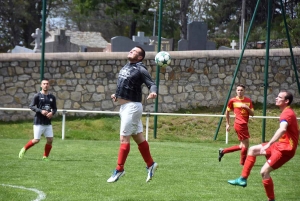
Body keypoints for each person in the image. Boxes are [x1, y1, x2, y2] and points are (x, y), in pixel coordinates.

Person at [227, 90, 299, 201]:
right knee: (252, 149)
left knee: (264, 172)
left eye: (279, 97)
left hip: (286, 149)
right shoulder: (286, 112)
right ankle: (243, 179)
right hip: (280, 145)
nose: (276, 98)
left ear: (287, 101)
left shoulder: (287, 113)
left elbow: (283, 128)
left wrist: (269, 144)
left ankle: (271, 199)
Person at [107, 46, 158, 183]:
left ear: (140, 57)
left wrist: (153, 92)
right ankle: (151, 164)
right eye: (131, 49)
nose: (131, 51)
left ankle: (119, 169)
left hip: (132, 107)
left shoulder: (140, 68)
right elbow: (125, 85)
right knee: (138, 138)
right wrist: (117, 95)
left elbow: (151, 84)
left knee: (124, 139)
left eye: (135, 51)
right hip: (125, 107)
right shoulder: (127, 66)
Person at [19, 78, 57, 161]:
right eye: (44, 84)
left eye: (47, 84)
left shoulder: (52, 97)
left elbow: (55, 108)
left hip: (48, 123)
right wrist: (40, 111)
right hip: (38, 122)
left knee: (50, 140)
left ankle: (45, 157)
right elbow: (31, 106)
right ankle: (24, 149)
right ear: (41, 85)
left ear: (49, 85)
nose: (45, 85)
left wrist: (52, 113)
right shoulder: (37, 96)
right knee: (36, 140)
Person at [219, 84, 254, 165]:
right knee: (246, 145)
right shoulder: (233, 100)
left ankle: (223, 151)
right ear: (236, 91)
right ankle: (243, 163)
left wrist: (247, 108)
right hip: (239, 124)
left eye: (241, 90)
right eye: (238, 90)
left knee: (242, 146)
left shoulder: (248, 101)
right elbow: (227, 112)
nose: (240, 92)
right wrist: (227, 124)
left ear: (244, 91)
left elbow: (252, 114)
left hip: (244, 124)